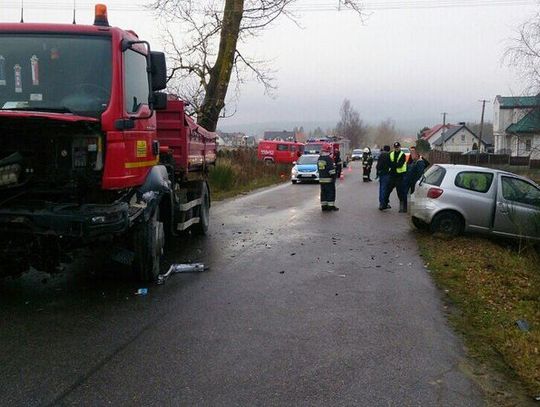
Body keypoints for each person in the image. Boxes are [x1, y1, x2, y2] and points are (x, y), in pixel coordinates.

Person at [385, 141, 408, 213]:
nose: (396, 148)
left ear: (400, 147)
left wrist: (393, 164)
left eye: (397, 147)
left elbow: (400, 165)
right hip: (392, 175)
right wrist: (394, 164)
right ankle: (384, 204)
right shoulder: (391, 154)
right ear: (394, 148)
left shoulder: (402, 155)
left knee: (400, 192)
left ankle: (403, 208)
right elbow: (388, 163)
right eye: (395, 147)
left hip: (400, 176)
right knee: (387, 190)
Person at [318, 144, 339, 211]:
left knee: (323, 193)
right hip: (329, 179)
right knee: (330, 192)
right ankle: (330, 206)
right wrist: (334, 177)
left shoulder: (320, 158)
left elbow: (319, 168)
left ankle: (324, 206)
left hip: (321, 179)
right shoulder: (328, 159)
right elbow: (331, 170)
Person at [376, 145, 391, 210]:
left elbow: (378, 165)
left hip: (381, 173)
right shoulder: (389, 155)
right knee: (385, 189)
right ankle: (384, 203)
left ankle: (381, 203)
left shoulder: (381, 155)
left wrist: (378, 172)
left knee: (381, 188)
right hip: (387, 174)